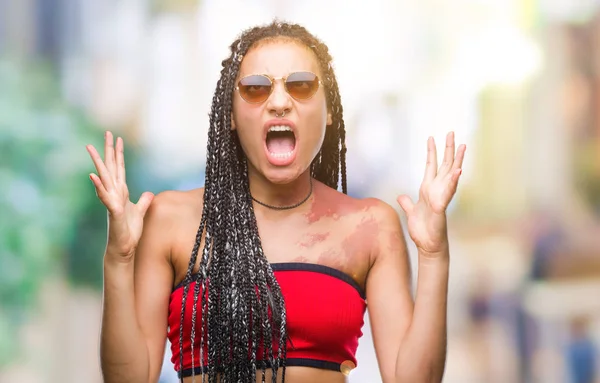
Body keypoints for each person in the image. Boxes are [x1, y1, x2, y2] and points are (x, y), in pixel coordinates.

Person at [87, 20, 466, 383]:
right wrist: (118, 258)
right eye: (255, 88)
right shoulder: (170, 218)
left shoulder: (371, 225)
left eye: (301, 85)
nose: (280, 102)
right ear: (231, 115)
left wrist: (434, 255)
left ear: (330, 109)